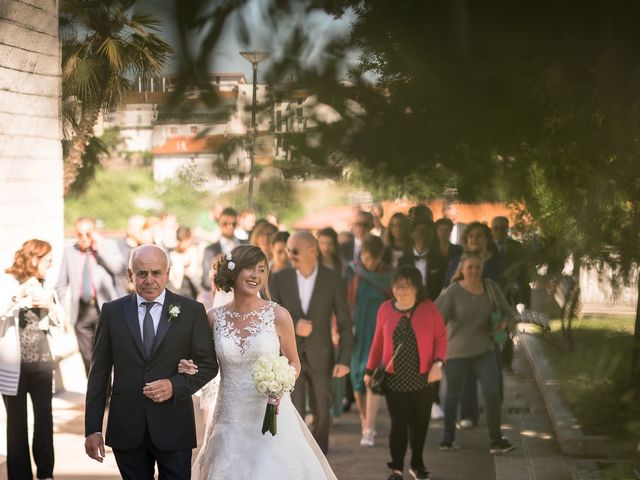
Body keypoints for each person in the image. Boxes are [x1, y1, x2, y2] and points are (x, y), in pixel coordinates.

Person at [187, 245, 337, 479]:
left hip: (270, 413)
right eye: (249, 268)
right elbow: (203, 364)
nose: (256, 276)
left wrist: (280, 385)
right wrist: (189, 366)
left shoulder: (279, 316)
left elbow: (294, 363)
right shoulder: (214, 318)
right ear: (233, 272)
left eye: (262, 269)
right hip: (229, 418)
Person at [84, 244, 218, 479]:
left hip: (174, 426)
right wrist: (93, 428)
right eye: (141, 273)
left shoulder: (191, 311)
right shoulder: (112, 312)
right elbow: (99, 374)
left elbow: (208, 365)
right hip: (126, 427)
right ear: (130, 275)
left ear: (167, 274)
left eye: (156, 273)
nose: (149, 280)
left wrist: (174, 385)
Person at [270, 231, 353, 453]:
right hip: (289, 357)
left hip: (321, 355)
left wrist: (344, 359)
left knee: (322, 414)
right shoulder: (279, 278)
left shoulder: (333, 279)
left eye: (294, 251)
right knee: (293, 412)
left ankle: (318, 459)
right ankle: (296, 457)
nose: (289, 255)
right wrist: (293, 324)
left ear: (312, 251)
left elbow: (345, 322)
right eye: (288, 250)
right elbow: (269, 315)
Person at [365, 266, 447, 480]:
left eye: (406, 286)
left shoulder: (429, 309)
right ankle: (397, 468)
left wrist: (439, 362)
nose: (400, 290)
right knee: (399, 425)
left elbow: (441, 338)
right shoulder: (385, 309)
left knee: (420, 426)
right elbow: (377, 341)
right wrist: (369, 369)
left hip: (423, 379)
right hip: (395, 381)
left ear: (417, 287)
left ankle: (417, 464)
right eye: (397, 285)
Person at [435, 252, 515, 454]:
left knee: (491, 391)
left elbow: (507, 310)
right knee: (452, 395)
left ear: (482, 268)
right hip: (457, 350)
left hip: (484, 348)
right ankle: (448, 438)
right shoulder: (453, 291)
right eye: (469, 267)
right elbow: (438, 320)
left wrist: (504, 322)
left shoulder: (490, 287)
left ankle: (496, 440)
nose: (474, 271)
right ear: (461, 269)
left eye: (477, 267)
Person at [0, 240, 59, 480]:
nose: (50, 265)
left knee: (45, 421)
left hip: (43, 365)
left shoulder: (47, 285)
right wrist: (19, 293)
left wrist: (50, 307)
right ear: (34, 259)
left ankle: (46, 473)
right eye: (47, 260)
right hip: (12, 366)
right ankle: (19, 476)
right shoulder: (7, 282)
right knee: (16, 425)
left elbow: (61, 321)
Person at [443, 221, 505, 428]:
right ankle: (468, 414)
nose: (475, 239)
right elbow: (447, 289)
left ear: (487, 239)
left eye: (479, 235)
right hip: (463, 325)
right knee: (467, 372)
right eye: (471, 236)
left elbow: (505, 289)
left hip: (491, 324)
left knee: (493, 369)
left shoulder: (497, 262)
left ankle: (495, 412)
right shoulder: (456, 262)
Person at [344, 234, 392, 447]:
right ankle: (365, 419)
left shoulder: (389, 276)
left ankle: (370, 427)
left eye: (371, 258)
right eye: (364, 256)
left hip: (378, 333)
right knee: (356, 376)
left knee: (372, 377)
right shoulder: (353, 272)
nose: (367, 261)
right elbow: (343, 303)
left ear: (380, 256)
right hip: (356, 331)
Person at [55, 216, 118, 375]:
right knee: (87, 357)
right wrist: (63, 313)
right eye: (79, 234)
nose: (83, 238)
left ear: (94, 233)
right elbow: (61, 285)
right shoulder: (70, 252)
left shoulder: (104, 249)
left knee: (105, 355)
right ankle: (96, 394)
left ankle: (108, 393)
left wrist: (100, 249)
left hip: (102, 309)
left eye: (87, 234)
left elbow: (118, 269)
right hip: (81, 311)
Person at [491, 216, 530, 370]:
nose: (500, 232)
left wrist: (523, 298)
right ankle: (495, 358)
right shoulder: (486, 247)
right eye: (496, 228)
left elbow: (523, 274)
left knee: (508, 328)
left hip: (510, 295)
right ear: (492, 230)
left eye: (503, 228)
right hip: (492, 295)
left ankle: (506, 361)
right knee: (495, 327)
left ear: (508, 229)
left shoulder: (516, 247)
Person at [398, 216, 448, 301]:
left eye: (425, 231)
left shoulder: (440, 261)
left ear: (430, 235)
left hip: (433, 304)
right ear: (412, 234)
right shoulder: (403, 261)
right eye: (418, 230)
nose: (421, 234)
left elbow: (444, 286)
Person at [201, 207, 244, 291]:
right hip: (218, 295)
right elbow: (205, 281)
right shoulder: (209, 250)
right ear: (219, 224)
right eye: (225, 224)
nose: (229, 227)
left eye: (233, 224)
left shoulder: (245, 246)